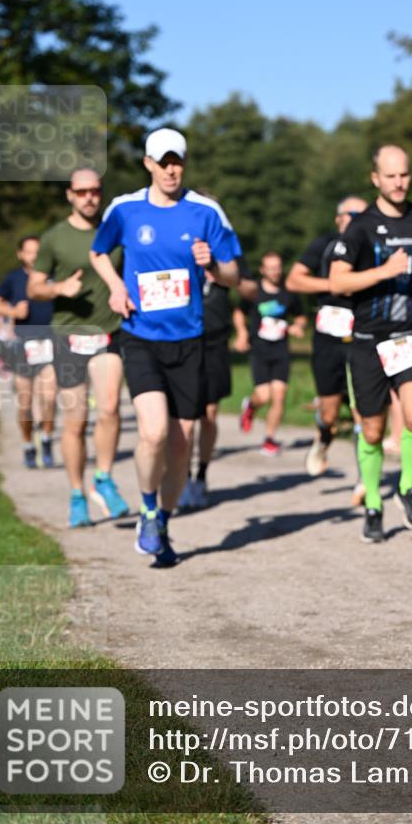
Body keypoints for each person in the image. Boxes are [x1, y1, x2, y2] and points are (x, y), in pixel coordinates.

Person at [90, 128, 240, 566]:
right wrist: (116, 287)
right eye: (163, 161)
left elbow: (234, 275)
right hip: (141, 337)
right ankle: (148, 505)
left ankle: (162, 523)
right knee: (154, 432)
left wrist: (212, 263)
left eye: (177, 161)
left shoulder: (206, 211)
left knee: (181, 443)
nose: (171, 169)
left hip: (190, 341)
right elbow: (99, 253)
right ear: (148, 164)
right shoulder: (125, 209)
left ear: (184, 164)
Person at [330, 145, 412, 543]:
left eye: (405, 175)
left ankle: (407, 488)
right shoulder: (361, 226)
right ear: (375, 178)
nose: (399, 183)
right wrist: (384, 270)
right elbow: (338, 281)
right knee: (373, 429)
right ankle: (373, 507)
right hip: (368, 340)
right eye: (391, 176)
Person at [28, 169, 129, 527]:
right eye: (81, 191)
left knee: (111, 408)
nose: (89, 197)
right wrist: (58, 290)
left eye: (95, 191)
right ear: (70, 195)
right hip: (68, 336)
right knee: (75, 421)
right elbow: (34, 288)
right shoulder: (55, 238)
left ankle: (103, 476)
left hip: (109, 333)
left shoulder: (115, 231)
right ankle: (76, 494)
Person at [286, 196, 368, 499]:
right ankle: (322, 440)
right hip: (327, 335)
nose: (359, 219)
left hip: (361, 334)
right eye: (353, 214)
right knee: (330, 412)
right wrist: (333, 284)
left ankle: (364, 478)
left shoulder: (371, 249)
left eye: (364, 214)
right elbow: (294, 281)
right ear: (338, 218)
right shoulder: (323, 244)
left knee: (363, 408)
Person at [178, 246, 258, 511]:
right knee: (185, 418)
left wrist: (225, 276)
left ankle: (200, 476)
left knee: (209, 414)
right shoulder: (178, 247)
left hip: (215, 343)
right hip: (183, 340)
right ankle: (182, 477)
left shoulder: (227, 254)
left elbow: (251, 291)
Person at [0, 235, 57, 469]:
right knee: (25, 403)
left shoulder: (53, 277)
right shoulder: (13, 279)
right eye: (29, 252)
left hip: (50, 343)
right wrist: (13, 310)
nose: (34, 256)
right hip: (23, 345)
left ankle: (46, 438)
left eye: (38, 251)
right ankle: (28, 444)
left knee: (49, 398)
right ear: (21, 254)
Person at [238, 251, 308, 455]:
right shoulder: (254, 291)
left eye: (278, 267)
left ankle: (269, 439)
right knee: (264, 396)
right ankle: (251, 405)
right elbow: (238, 312)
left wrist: (298, 326)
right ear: (263, 270)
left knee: (279, 395)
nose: (275, 271)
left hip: (281, 350)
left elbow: (301, 317)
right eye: (271, 268)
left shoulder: (289, 291)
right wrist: (242, 334)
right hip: (259, 350)